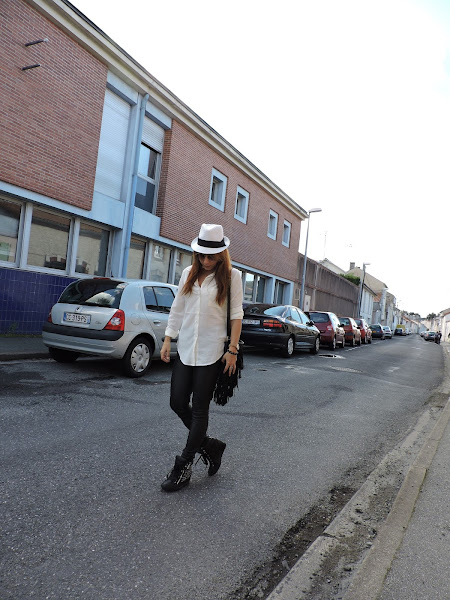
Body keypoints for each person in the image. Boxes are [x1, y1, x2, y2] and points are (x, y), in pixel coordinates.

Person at [159, 224, 244, 492]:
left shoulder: (232, 276)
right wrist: (168, 338)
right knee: (176, 402)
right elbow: (178, 308)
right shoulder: (188, 273)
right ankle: (210, 446)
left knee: (199, 409)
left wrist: (232, 350)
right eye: (201, 255)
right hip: (186, 348)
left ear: (221, 254)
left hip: (212, 351)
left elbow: (236, 315)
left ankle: (183, 466)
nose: (206, 261)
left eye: (211, 256)